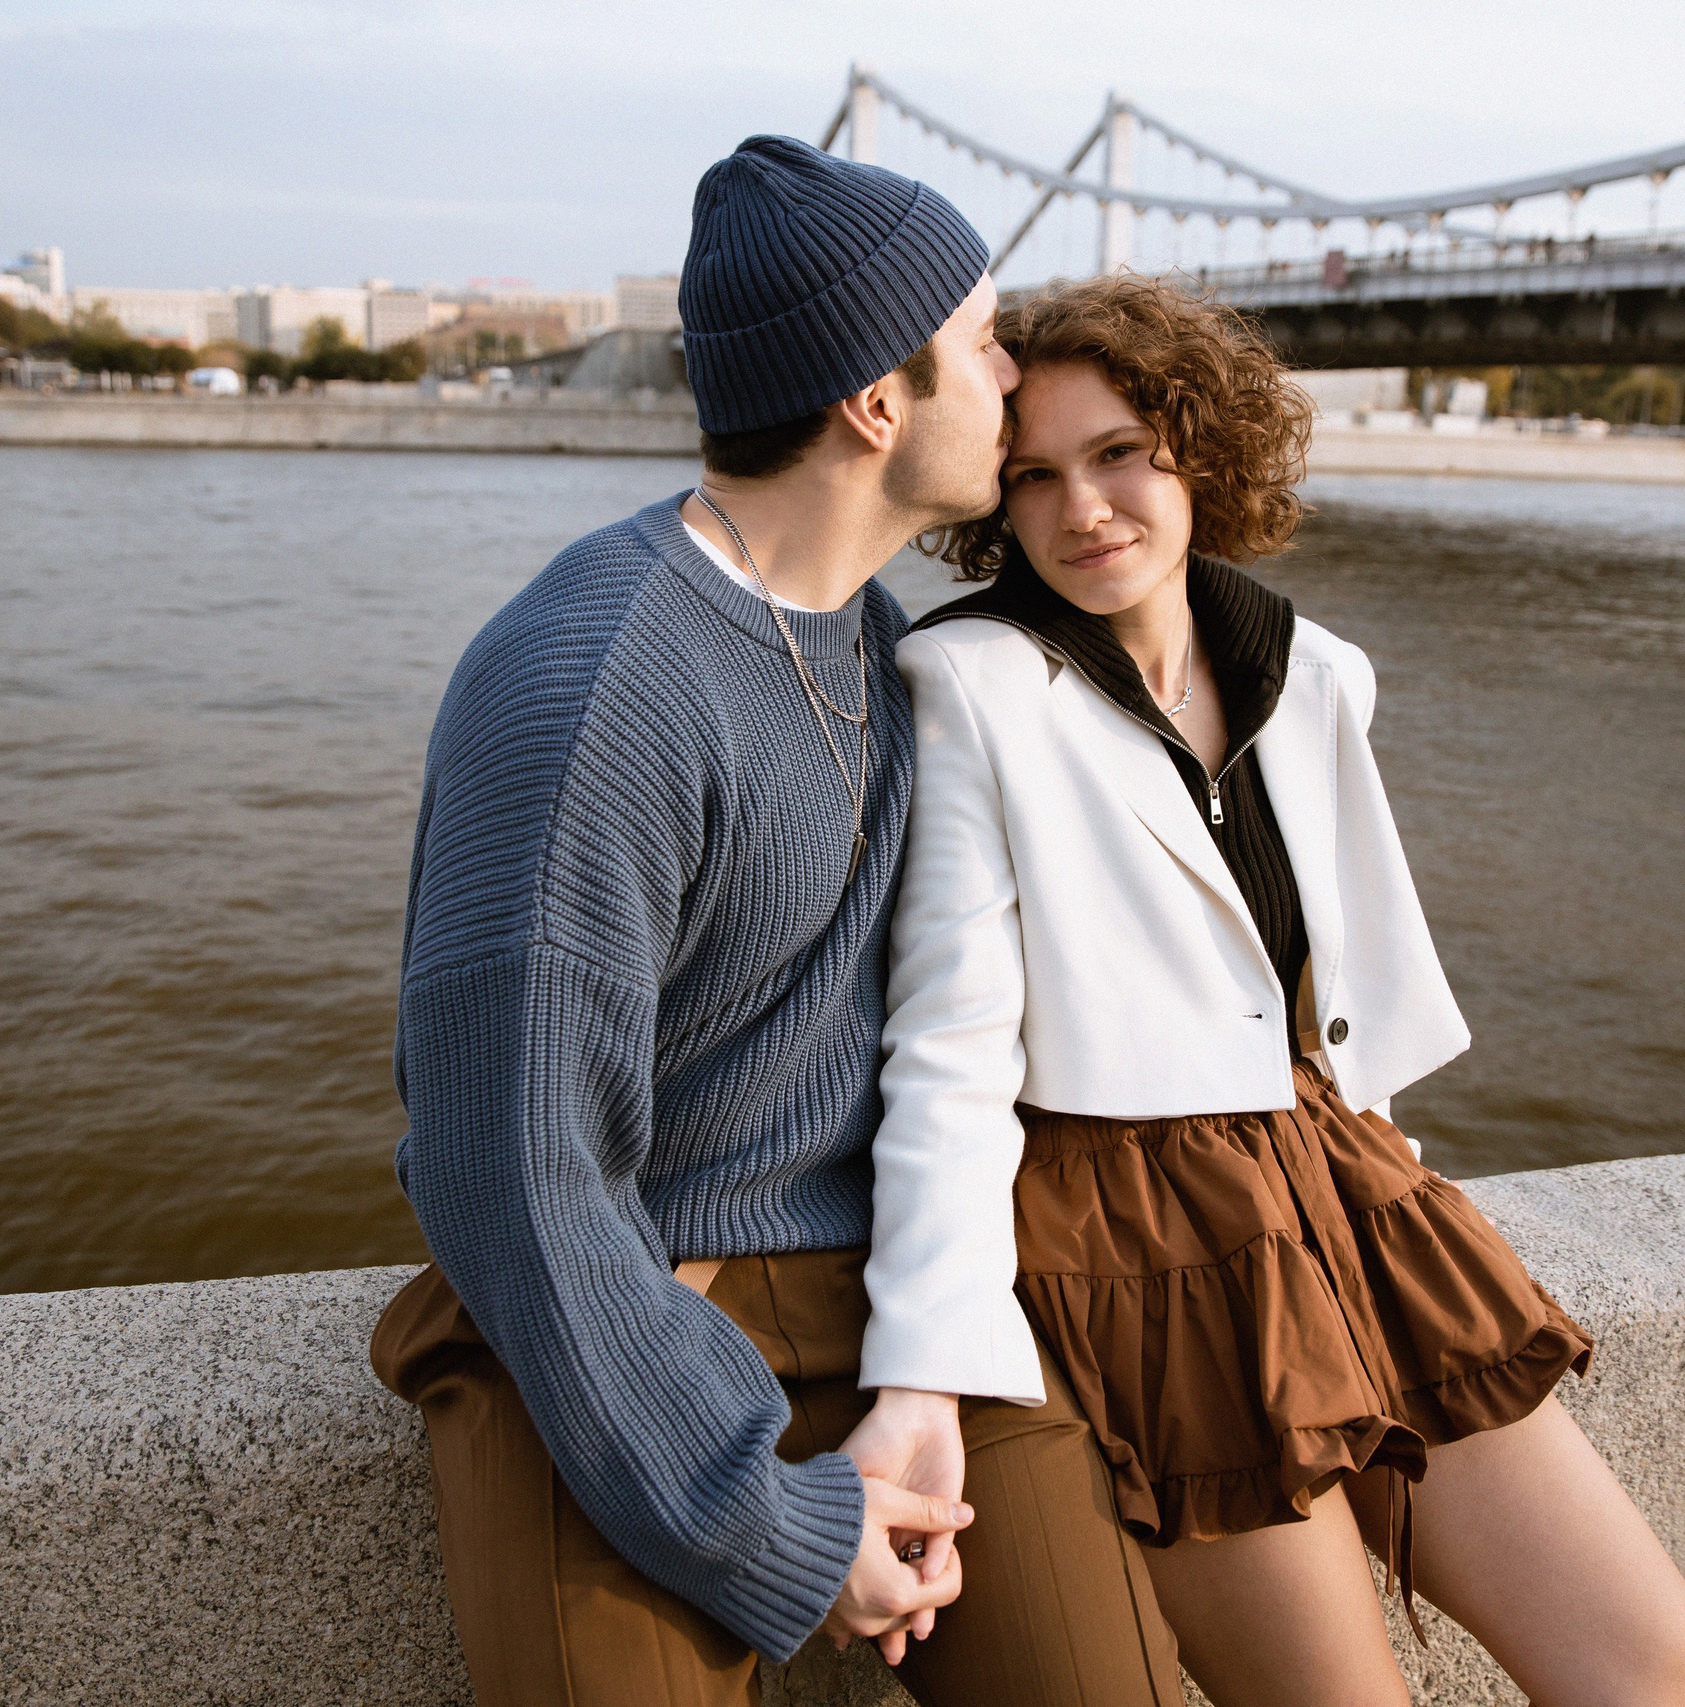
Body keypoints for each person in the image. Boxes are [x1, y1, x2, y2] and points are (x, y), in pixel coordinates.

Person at [369, 141, 1186, 1707]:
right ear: (879, 402)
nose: (1015, 375)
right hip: (622, 1313)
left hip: (899, 1291)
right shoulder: (589, 685)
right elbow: (508, 1171)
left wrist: (926, 1359)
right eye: (986, 338)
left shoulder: (896, 643)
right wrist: (769, 1531)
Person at [866, 274, 1685, 1707]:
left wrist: (1379, 1151)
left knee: (1654, 1665)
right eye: (1034, 477)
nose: (1083, 509)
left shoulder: (1313, 672)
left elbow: (1323, 992)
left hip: (1339, 1181)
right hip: (1143, 1232)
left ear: (1201, 448)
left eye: (1121, 454)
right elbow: (947, 1052)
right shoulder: (970, 685)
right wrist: (922, 1373)